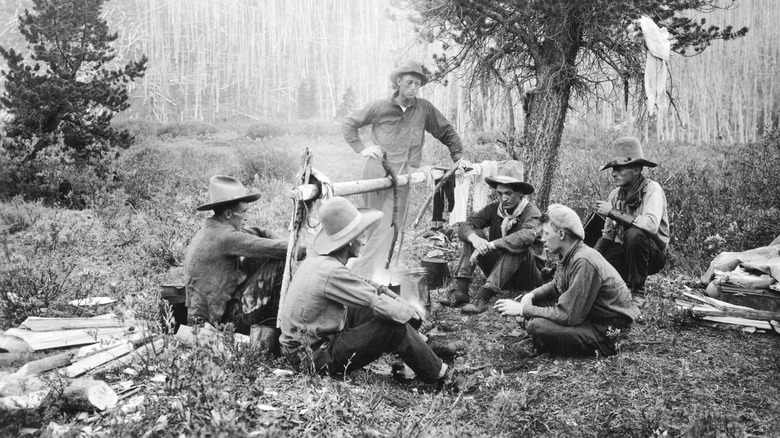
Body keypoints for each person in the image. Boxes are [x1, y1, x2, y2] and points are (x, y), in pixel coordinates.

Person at [279, 197, 464, 389]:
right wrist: (411, 314)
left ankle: (425, 348)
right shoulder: (332, 271)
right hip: (312, 357)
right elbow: (376, 302)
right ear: (349, 241)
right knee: (392, 327)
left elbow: (362, 284)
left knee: (369, 309)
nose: (365, 240)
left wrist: (394, 297)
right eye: (361, 234)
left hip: (306, 348)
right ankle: (444, 377)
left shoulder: (322, 262)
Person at [342, 60, 470, 281]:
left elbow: (447, 131)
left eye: (417, 84)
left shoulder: (424, 109)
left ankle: (365, 272)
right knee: (372, 222)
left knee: (391, 226)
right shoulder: (379, 106)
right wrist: (362, 149)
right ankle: (374, 272)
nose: (413, 88)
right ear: (398, 82)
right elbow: (349, 123)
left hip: (402, 177)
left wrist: (458, 157)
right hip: (375, 172)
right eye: (409, 82)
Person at [495, 204, 640, 357]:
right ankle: (542, 340)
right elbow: (556, 285)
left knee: (538, 326)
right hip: (589, 316)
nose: (542, 239)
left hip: (608, 333)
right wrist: (530, 296)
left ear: (562, 234)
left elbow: (568, 316)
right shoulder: (569, 253)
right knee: (533, 304)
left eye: (546, 233)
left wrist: (523, 310)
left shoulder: (583, 260)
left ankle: (542, 342)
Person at [184, 175, 305, 335]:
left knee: (264, 255)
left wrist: (282, 243)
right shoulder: (226, 237)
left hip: (215, 311)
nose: (247, 217)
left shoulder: (214, 227)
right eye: (244, 212)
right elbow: (278, 249)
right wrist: (304, 249)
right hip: (219, 322)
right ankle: (277, 330)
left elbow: (262, 233)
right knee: (280, 262)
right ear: (228, 214)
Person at [439, 161, 545, 315]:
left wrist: (492, 244)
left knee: (516, 244)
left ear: (521, 192)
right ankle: (461, 290)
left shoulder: (531, 212)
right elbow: (466, 225)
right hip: (501, 272)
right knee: (475, 234)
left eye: (508, 193)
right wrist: (475, 239)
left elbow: (526, 237)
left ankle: (483, 297)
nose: (503, 198)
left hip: (527, 276)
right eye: (500, 194)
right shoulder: (495, 209)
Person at [592, 136, 669, 307]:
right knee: (604, 259)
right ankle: (616, 290)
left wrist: (612, 212)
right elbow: (608, 235)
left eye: (619, 169)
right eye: (613, 169)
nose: (613, 174)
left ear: (636, 169)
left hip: (651, 255)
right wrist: (593, 256)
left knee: (634, 234)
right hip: (624, 252)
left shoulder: (652, 190)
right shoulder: (614, 195)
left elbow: (650, 225)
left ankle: (637, 291)